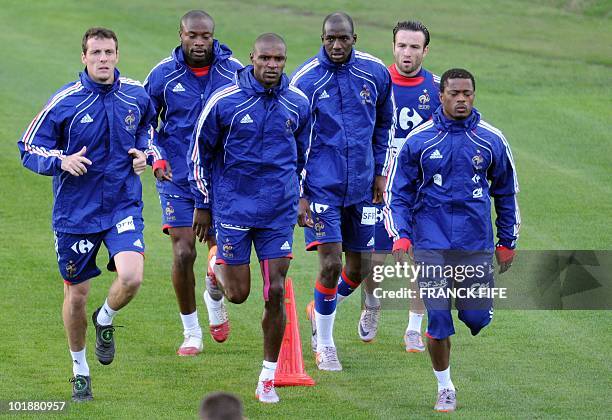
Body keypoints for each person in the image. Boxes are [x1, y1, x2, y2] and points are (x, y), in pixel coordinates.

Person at [17, 27, 156, 402]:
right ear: (84, 57)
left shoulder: (136, 95)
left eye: (109, 51)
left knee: (131, 277)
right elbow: (27, 146)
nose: (103, 58)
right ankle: (80, 370)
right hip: (76, 214)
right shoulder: (65, 101)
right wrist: (62, 160)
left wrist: (147, 155)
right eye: (96, 52)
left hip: (122, 205)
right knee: (76, 295)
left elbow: (149, 132)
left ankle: (105, 319)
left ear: (117, 54)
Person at [384, 68, 520, 411]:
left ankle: (477, 313)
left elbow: (507, 193)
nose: (461, 100)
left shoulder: (491, 139)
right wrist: (401, 235)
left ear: (473, 95)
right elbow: (396, 193)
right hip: (430, 241)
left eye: (467, 94)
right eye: (455, 94)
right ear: (441, 96)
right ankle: (445, 387)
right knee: (439, 318)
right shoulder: (419, 140)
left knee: (474, 319)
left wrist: (507, 242)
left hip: (475, 242)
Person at [188, 33, 310, 403]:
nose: (272, 65)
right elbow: (200, 153)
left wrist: (303, 197)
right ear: (251, 58)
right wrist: (203, 203)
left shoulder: (298, 102)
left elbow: (304, 155)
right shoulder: (225, 102)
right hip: (234, 207)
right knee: (238, 294)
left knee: (274, 290)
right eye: (265, 59)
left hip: (278, 211)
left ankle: (267, 378)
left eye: (279, 59)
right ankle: (214, 272)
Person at [290, 12, 393, 370]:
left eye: (343, 39)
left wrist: (380, 172)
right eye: (329, 39)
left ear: (355, 39)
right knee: (331, 264)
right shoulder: (305, 80)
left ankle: (319, 306)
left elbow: (384, 125)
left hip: (364, 188)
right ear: (322, 39)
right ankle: (325, 343)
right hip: (322, 189)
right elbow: (294, 140)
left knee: (360, 266)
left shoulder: (375, 73)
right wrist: (301, 192)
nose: (336, 45)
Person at [144, 10, 243, 356]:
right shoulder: (162, 76)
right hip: (177, 178)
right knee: (184, 251)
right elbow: (144, 122)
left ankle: (214, 293)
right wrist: (156, 156)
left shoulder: (234, 72)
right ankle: (191, 332)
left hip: (221, 181)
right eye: (192, 36)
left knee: (221, 259)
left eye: (205, 36)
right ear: (180, 35)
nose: (199, 43)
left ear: (213, 36)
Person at [358, 20, 440, 350]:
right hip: (376, 182)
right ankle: (372, 304)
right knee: (373, 260)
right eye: (402, 46)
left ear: (425, 50)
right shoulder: (377, 82)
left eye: (414, 47)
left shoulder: (436, 88)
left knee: (419, 258)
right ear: (393, 47)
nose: (407, 53)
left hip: (418, 189)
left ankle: (413, 328)